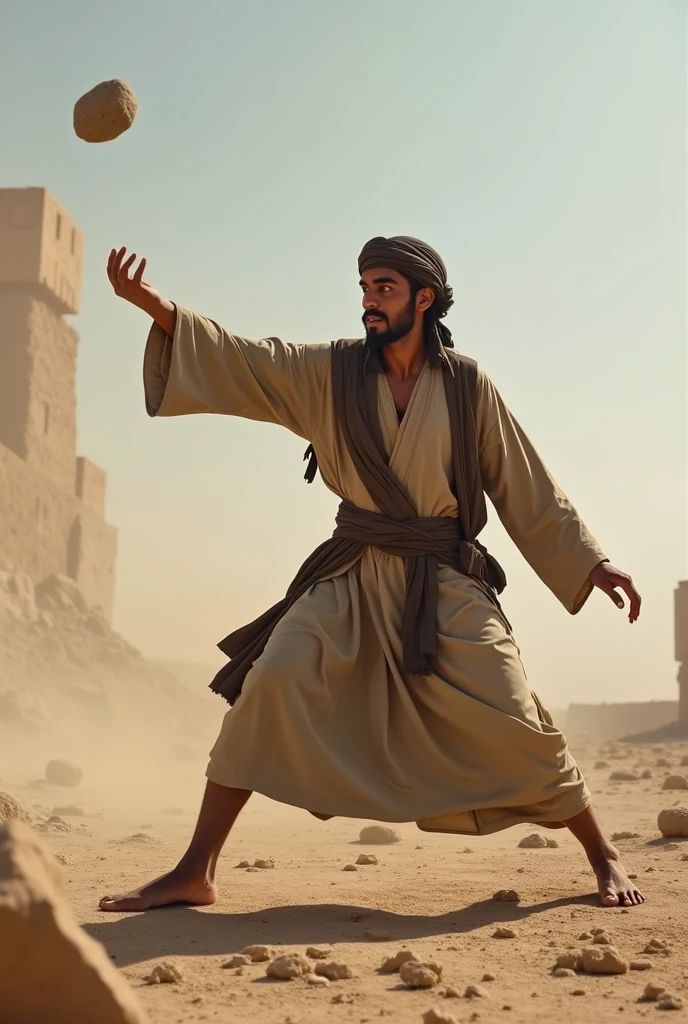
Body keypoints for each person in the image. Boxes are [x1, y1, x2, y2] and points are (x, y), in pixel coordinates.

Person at [99, 236, 643, 913]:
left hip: (442, 581)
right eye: (363, 287)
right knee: (272, 679)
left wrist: (591, 562)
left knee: (511, 707)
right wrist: (153, 305)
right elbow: (244, 358)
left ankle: (604, 853)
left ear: (424, 297)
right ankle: (195, 869)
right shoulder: (329, 373)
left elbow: (524, 483)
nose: (367, 300)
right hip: (351, 575)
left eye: (382, 287)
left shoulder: (469, 386)